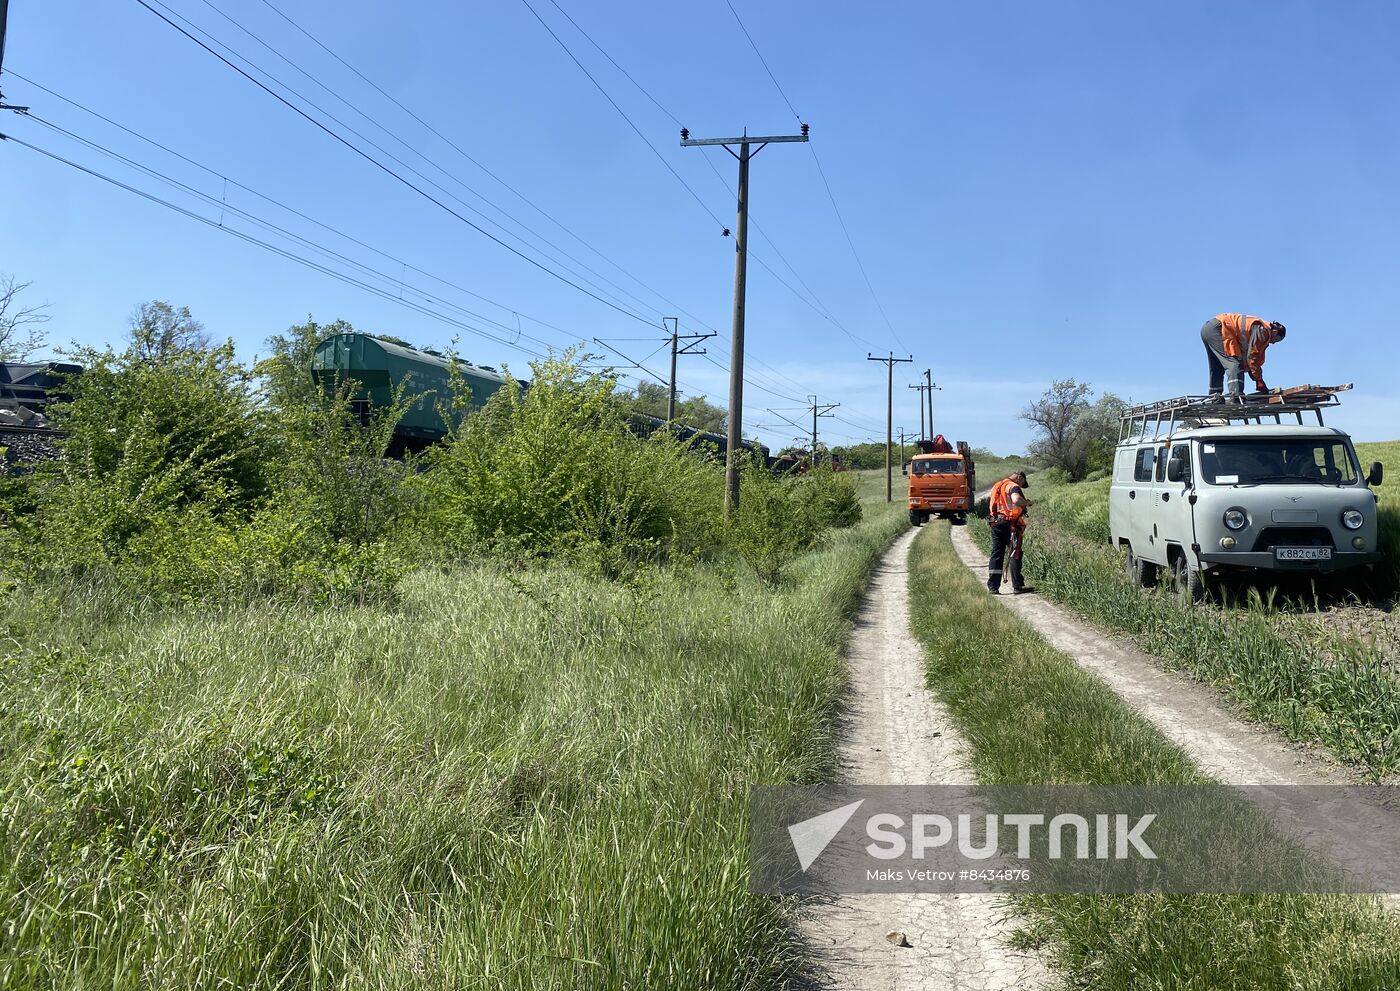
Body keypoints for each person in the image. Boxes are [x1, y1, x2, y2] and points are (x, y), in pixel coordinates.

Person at [1200, 313, 1286, 398]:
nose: (1273, 343)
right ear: (1275, 332)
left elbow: (1248, 360)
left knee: (1217, 366)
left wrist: (1256, 377)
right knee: (1234, 364)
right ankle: (1236, 395)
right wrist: (1259, 380)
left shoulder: (1256, 327)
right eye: (1276, 340)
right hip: (1219, 328)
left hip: (1208, 329)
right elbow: (1252, 357)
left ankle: (1214, 396)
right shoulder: (1263, 330)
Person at [987, 471, 1032, 595]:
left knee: (997, 554)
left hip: (995, 523)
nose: (1021, 485)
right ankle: (1017, 586)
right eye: (1022, 482)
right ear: (1019, 477)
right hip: (1010, 525)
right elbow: (1016, 500)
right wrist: (1027, 502)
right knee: (1015, 552)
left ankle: (993, 586)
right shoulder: (1013, 486)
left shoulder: (998, 485)